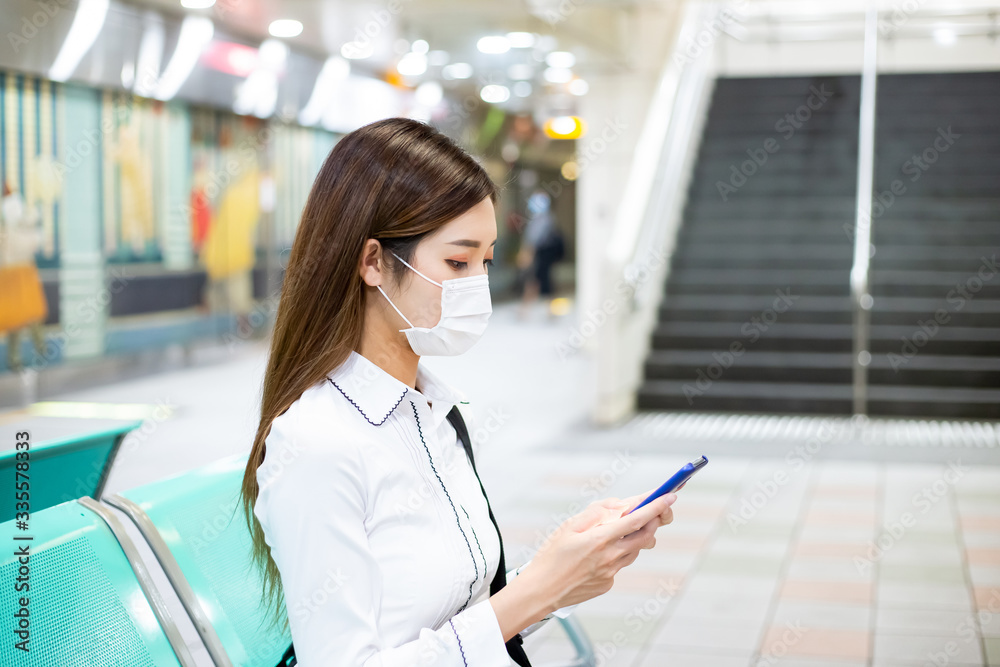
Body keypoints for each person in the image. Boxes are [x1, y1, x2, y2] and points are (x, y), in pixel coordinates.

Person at [240, 118, 677, 666]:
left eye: (486, 261)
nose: (478, 285)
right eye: (457, 262)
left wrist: (560, 574)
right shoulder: (318, 443)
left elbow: (462, 615)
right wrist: (534, 592)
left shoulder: (432, 412)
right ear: (372, 261)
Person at [516, 190, 564, 321]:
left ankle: (533, 310)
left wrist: (527, 253)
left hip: (541, 255)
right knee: (538, 280)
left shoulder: (542, 219)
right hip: (543, 255)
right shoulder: (545, 218)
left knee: (537, 280)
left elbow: (534, 238)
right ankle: (527, 310)